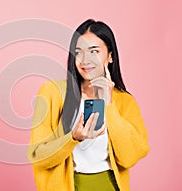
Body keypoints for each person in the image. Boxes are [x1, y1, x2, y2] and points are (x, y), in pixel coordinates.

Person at [27, 19, 149, 191]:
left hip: (108, 185)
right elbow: (38, 156)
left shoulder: (124, 101)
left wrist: (109, 105)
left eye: (94, 51)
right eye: (78, 52)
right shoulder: (52, 93)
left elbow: (130, 157)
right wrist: (73, 138)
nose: (85, 60)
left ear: (110, 56)